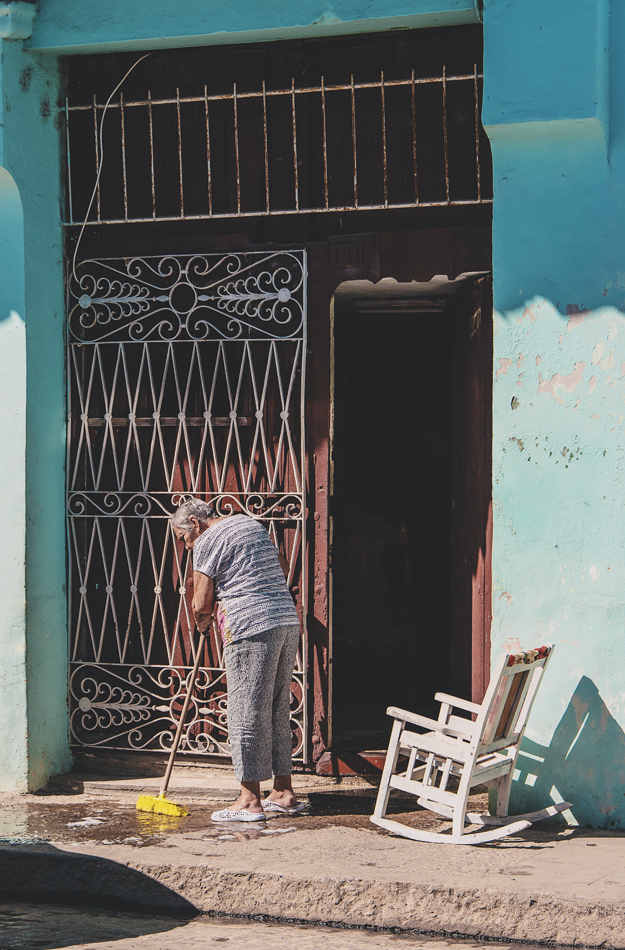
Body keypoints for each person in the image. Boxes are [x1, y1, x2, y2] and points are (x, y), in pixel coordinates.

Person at [171, 499, 305, 822]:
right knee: (276, 707)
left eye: (182, 537)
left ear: (194, 522)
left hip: (250, 626)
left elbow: (202, 600)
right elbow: (283, 567)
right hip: (285, 620)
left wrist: (202, 613)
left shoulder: (206, 540)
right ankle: (283, 793)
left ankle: (248, 800)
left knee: (246, 708)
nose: (185, 545)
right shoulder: (250, 524)